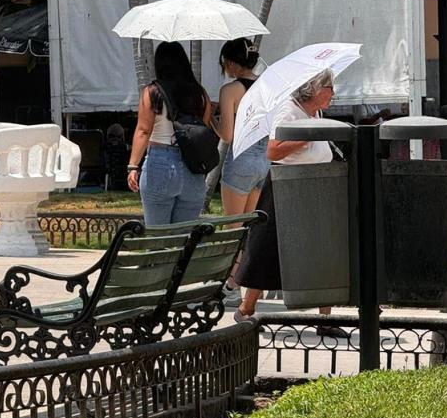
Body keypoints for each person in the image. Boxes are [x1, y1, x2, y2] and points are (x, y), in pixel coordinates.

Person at [233, 69, 345, 337]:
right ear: (316, 89)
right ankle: (246, 308)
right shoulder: (288, 110)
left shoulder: (314, 113)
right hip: (287, 187)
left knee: (323, 250)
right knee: (268, 250)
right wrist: (308, 135)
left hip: (315, 185)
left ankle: (325, 317)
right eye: (330, 87)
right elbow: (273, 150)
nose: (334, 93)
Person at [127, 41, 214, 225]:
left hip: (160, 163)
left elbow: (143, 130)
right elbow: (202, 130)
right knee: (183, 239)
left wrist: (133, 166)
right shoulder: (199, 94)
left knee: (157, 237)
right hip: (193, 167)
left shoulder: (152, 92)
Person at [213, 38, 270, 304]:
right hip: (263, 161)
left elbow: (227, 134)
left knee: (231, 227)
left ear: (233, 63)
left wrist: (209, 121)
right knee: (249, 228)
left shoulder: (230, 90)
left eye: (225, 63)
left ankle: (232, 284)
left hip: (241, 160)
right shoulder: (267, 86)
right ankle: (250, 281)